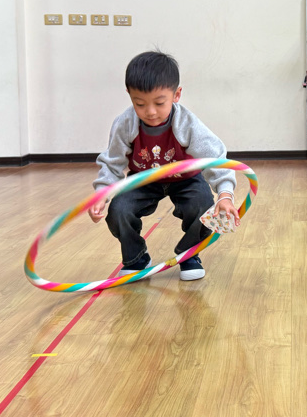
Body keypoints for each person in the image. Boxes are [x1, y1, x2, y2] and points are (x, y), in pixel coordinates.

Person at [89, 51, 237, 279]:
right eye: (139, 104)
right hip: (144, 179)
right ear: (129, 95)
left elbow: (215, 158)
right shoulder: (125, 124)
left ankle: (189, 255)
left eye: (159, 103)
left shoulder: (187, 124)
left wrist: (225, 194)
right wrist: (101, 194)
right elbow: (112, 162)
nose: (150, 112)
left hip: (186, 178)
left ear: (176, 95)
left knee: (203, 206)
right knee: (119, 210)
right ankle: (136, 258)